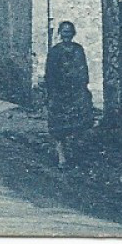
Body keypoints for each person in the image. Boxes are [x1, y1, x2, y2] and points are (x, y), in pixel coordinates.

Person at [44, 21, 93, 167]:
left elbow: (84, 70)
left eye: (69, 32)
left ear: (73, 33)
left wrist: (83, 87)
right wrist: (51, 92)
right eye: (64, 32)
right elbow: (50, 73)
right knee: (59, 126)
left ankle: (74, 153)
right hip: (60, 93)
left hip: (76, 93)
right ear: (60, 33)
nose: (67, 35)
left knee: (78, 123)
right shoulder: (55, 51)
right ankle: (61, 156)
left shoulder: (78, 50)